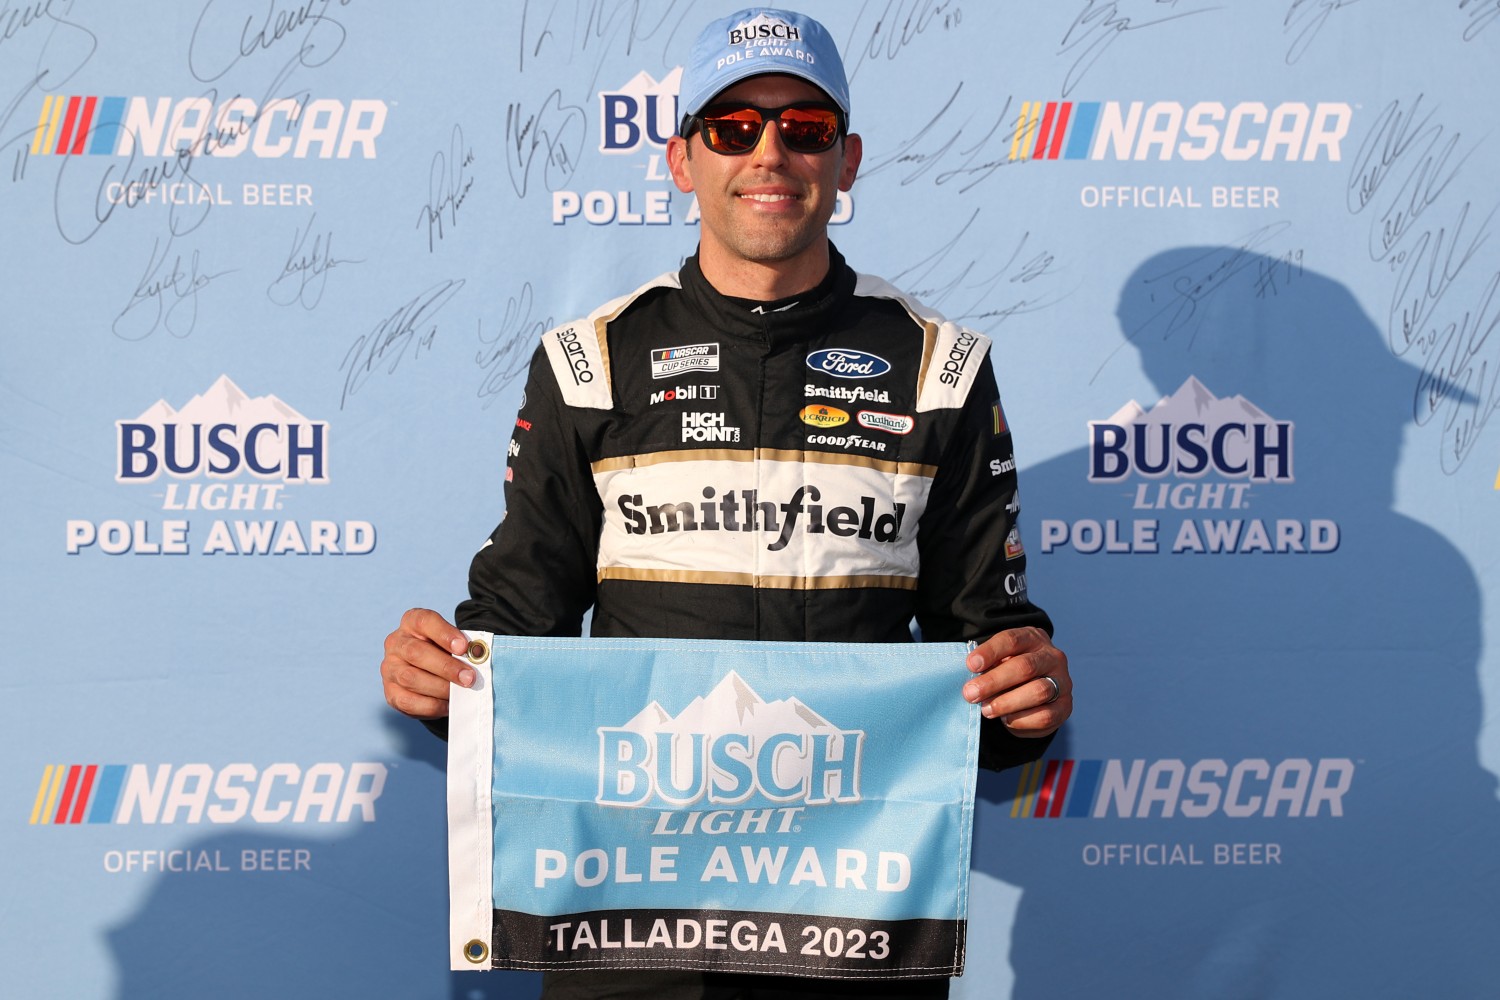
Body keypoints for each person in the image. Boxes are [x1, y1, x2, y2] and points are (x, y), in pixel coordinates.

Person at [381, 7, 1072, 998]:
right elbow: (514, 634)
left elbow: (987, 647)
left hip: (851, 928)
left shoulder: (940, 368)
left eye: (806, 128)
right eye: (734, 126)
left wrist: (1026, 692)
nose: (771, 152)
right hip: (629, 923)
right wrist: (443, 678)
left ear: (848, 158)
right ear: (680, 158)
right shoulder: (589, 362)